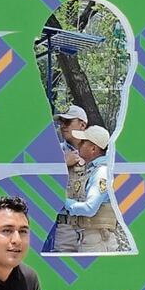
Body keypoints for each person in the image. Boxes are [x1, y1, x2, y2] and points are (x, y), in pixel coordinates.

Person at [62, 125, 119, 253]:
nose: (79, 145)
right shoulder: (93, 171)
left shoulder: (101, 172)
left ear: (93, 148)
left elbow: (90, 208)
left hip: (97, 241)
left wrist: (63, 202)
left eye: (83, 142)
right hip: (92, 238)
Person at [52, 106, 89, 252]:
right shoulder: (54, 152)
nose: (63, 126)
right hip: (65, 228)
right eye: (61, 122)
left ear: (82, 125)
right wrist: (62, 164)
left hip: (94, 230)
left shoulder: (99, 150)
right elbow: (42, 182)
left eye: (67, 122)